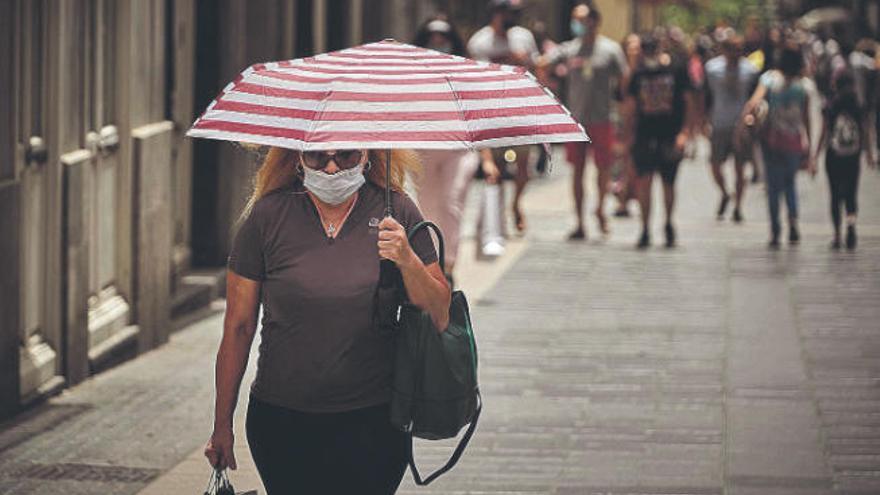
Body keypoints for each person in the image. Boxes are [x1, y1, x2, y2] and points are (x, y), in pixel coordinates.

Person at [203, 147, 451, 494]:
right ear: (297, 157)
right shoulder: (267, 216)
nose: (332, 168)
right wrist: (222, 423)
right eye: (319, 156)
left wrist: (407, 258)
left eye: (347, 156)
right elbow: (239, 327)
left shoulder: (397, 211)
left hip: (374, 421)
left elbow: (439, 312)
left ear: (368, 155)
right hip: (282, 420)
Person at [539, 1, 627, 240]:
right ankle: (579, 221)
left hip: (602, 119)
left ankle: (599, 208)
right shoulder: (569, 49)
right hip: (576, 121)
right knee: (577, 171)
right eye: (574, 19)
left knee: (603, 169)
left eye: (581, 19)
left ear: (594, 22)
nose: (576, 24)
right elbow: (543, 63)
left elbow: (624, 80)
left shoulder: (610, 50)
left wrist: (623, 115)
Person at [412, 15, 481, 278]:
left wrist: (485, 157)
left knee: (451, 203)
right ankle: (431, 263)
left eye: (444, 39)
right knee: (426, 208)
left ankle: (449, 265)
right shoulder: (409, 73)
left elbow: (477, 117)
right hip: (423, 151)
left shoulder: (465, 72)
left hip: (458, 150)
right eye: (432, 39)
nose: (438, 44)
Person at [468, 0, 539, 235]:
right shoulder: (479, 41)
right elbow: (475, 78)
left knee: (523, 167)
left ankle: (516, 204)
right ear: (496, 13)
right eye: (508, 12)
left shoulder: (524, 36)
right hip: (492, 112)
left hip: (521, 110)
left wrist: (524, 62)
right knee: (495, 168)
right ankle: (496, 217)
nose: (512, 17)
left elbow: (537, 68)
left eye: (514, 13)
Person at [623, 34, 694, 249]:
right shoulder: (638, 73)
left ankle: (668, 223)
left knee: (668, 183)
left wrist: (685, 133)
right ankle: (645, 228)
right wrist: (628, 138)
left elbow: (689, 101)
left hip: (669, 134)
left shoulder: (676, 69)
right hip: (645, 135)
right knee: (644, 183)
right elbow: (629, 103)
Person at [743, 45, 816, 249]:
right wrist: (808, 146)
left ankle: (775, 229)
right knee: (790, 183)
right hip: (794, 141)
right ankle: (793, 221)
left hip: (772, 140)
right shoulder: (805, 86)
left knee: (773, 187)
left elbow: (753, 103)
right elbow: (807, 118)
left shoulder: (769, 79)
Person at [704, 31, 759, 222]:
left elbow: (755, 98)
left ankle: (738, 207)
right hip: (719, 123)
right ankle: (726, 193)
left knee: (740, 168)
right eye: (732, 50)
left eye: (738, 50)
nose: (735, 54)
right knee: (715, 165)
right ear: (723, 50)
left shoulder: (750, 70)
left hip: (741, 126)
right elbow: (706, 97)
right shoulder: (712, 69)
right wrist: (704, 121)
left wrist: (752, 119)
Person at [818, 72, 876, 249]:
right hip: (853, 154)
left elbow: (825, 130)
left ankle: (837, 235)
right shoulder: (858, 104)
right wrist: (869, 153)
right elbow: (865, 130)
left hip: (833, 154)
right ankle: (851, 224)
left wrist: (815, 153)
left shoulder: (831, 104)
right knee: (851, 192)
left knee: (835, 195)